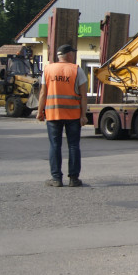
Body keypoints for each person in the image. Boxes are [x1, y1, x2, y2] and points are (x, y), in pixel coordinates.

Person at [37, 43, 88, 187]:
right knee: (73, 146)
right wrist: (83, 115)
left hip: (53, 114)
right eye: (73, 53)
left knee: (55, 146)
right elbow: (83, 96)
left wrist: (40, 112)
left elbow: (43, 93)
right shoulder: (77, 70)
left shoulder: (48, 69)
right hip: (73, 115)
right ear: (69, 55)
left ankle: (56, 179)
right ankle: (73, 179)